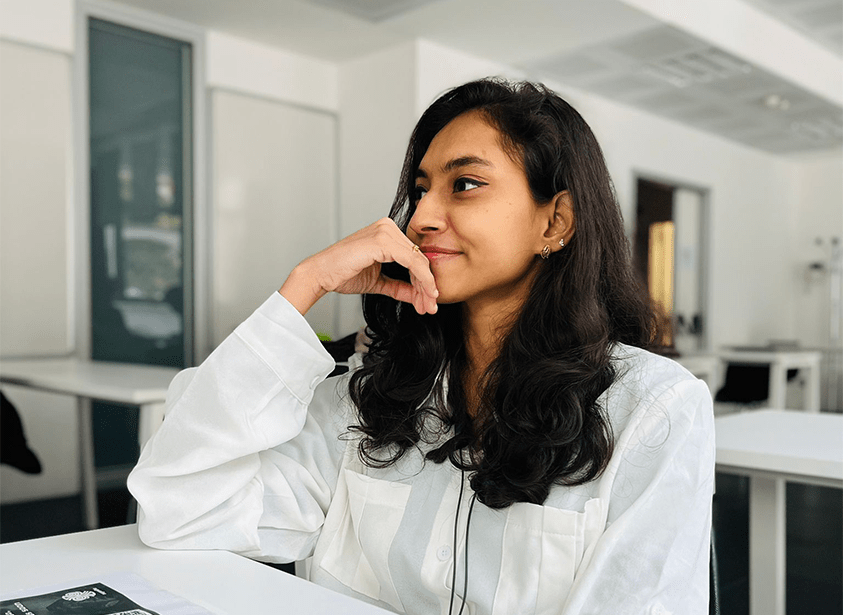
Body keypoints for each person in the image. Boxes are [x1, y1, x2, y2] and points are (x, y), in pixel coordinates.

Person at [128, 78, 715, 614]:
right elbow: (179, 510)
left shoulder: (651, 410)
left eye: (466, 184)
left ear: (555, 221)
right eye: (420, 189)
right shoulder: (373, 397)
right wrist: (305, 286)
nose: (421, 217)